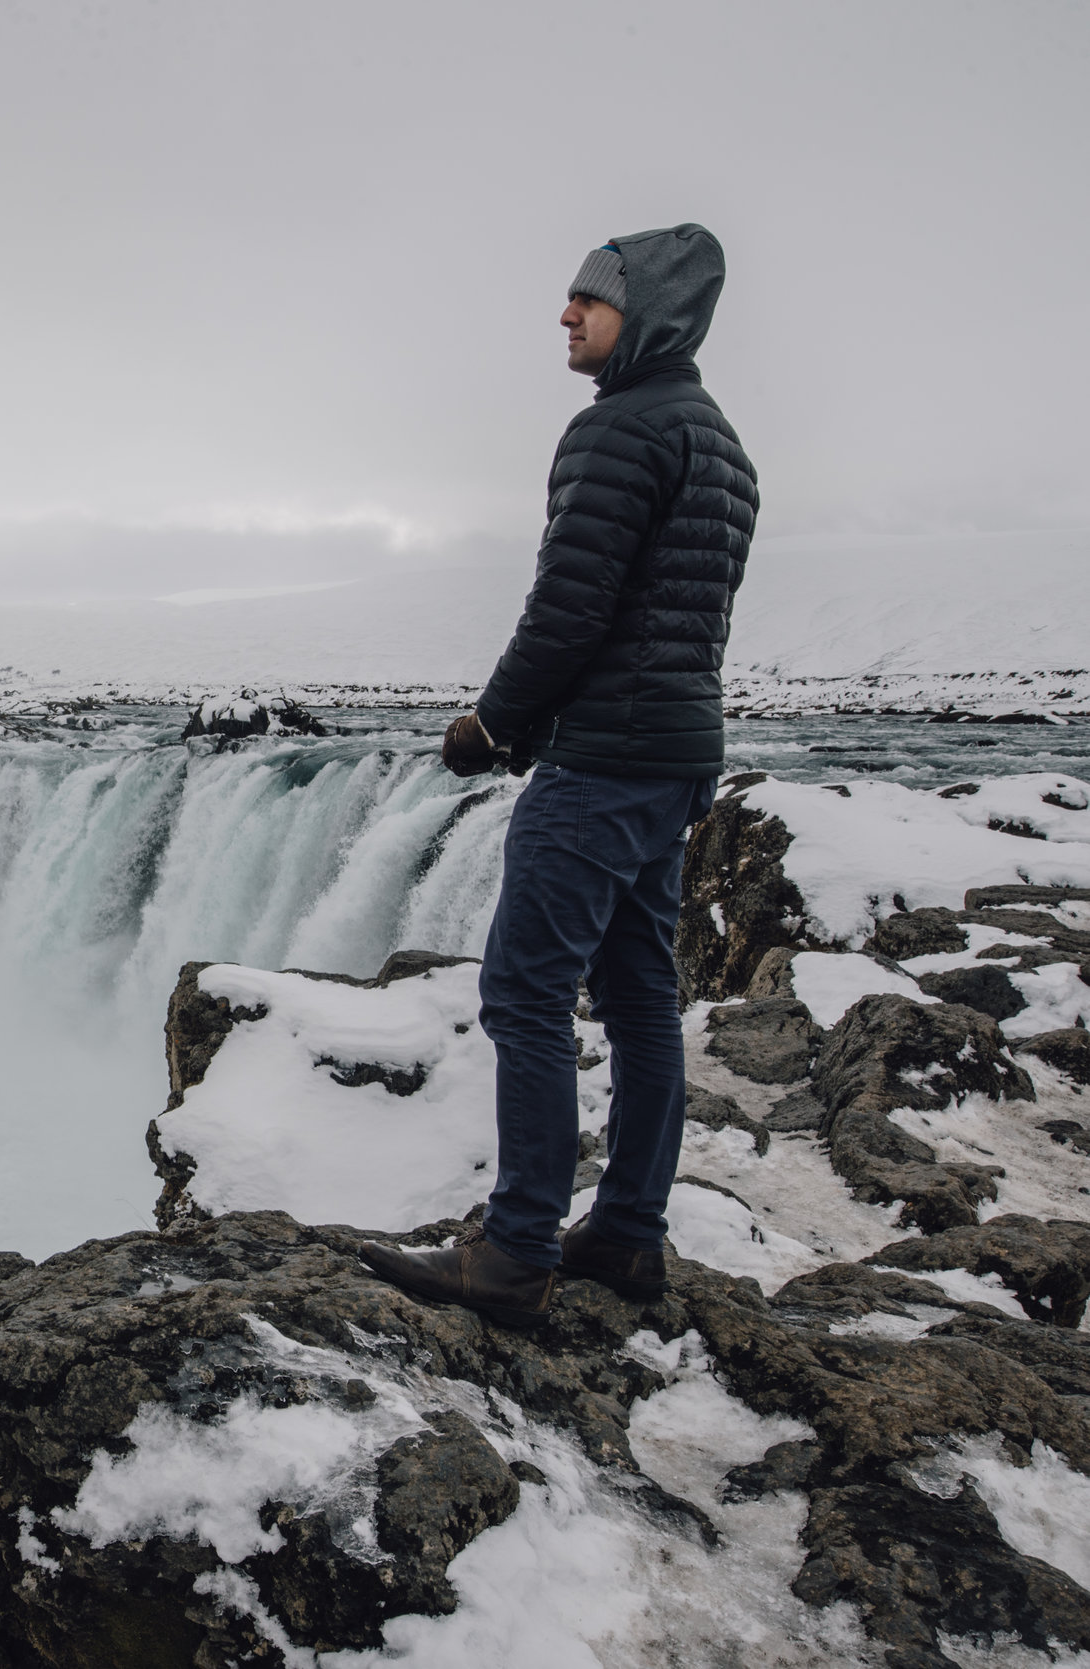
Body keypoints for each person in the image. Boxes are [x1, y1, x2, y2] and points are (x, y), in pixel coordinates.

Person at [359, 225, 759, 1327]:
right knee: (639, 1001)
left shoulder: (618, 431)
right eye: (567, 300)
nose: (567, 316)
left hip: (599, 765)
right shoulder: (719, 444)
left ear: (654, 315)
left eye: (591, 300)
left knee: (523, 994)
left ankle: (516, 1246)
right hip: (677, 760)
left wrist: (491, 723)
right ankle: (627, 1233)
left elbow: (569, 611)